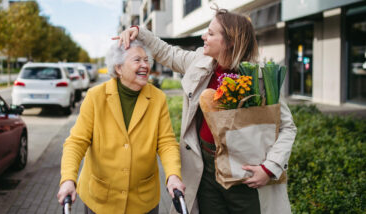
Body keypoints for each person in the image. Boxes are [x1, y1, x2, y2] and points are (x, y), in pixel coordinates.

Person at [114, 6, 297, 214]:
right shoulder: (200, 62)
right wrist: (139, 31)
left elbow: (287, 127)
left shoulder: (261, 78)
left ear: (229, 42)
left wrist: (269, 168)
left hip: (246, 177)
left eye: (210, 33)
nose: (203, 36)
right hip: (206, 171)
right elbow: (167, 52)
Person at [57, 40, 185, 214]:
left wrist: (173, 176)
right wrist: (68, 179)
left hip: (143, 201)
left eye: (146, 60)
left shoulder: (157, 98)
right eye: (137, 60)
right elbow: (76, 142)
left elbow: (166, 142)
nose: (145, 65)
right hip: (102, 200)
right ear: (118, 68)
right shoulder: (96, 97)